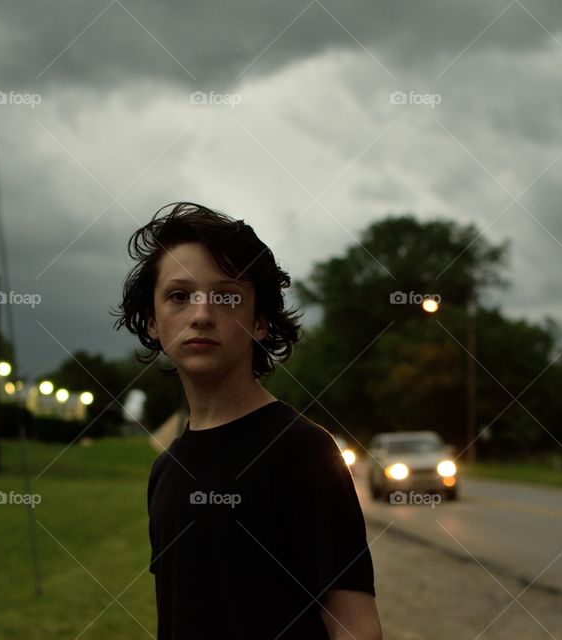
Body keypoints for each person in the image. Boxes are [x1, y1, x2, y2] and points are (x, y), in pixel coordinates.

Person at [112, 202, 383, 640]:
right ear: (153, 321)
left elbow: (356, 627)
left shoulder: (303, 451)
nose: (201, 314)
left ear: (259, 321)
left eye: (226, 296)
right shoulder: (165, 470)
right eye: (179, 296)